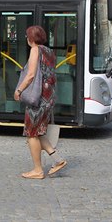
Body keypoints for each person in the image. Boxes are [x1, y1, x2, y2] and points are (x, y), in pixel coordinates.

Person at [14, 26, 67, 179]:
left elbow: (30, 75)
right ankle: (58, 160)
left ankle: (37, 170)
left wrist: (19, 90)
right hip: (48, 97)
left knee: (31, 134)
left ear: (31, 37)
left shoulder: (35, 50)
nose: (26, 38)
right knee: (38, 131)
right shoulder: (49, 51)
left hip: (37, 98)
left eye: (26, 36)